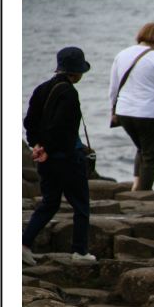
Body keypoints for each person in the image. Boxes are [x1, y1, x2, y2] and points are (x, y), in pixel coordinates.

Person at [22, 46, 97, 266]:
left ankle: (24, 244)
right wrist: (53, 150)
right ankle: (80, 251)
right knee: (81, 204)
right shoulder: (69, 93)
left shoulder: (41, 89)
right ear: (76, 72)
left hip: (45, 158)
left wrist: (37, 146)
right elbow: (62, 129)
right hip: (66, 159)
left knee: (50, 202)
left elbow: (30, 122)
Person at [108, 22, 154, 191]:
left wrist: (113, 111)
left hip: (124, 112)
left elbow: (113, 88)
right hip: (149, 114)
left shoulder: (121, 55)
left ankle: (136, 186)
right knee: (151, 155)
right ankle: (143, 194)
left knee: (142, 148)